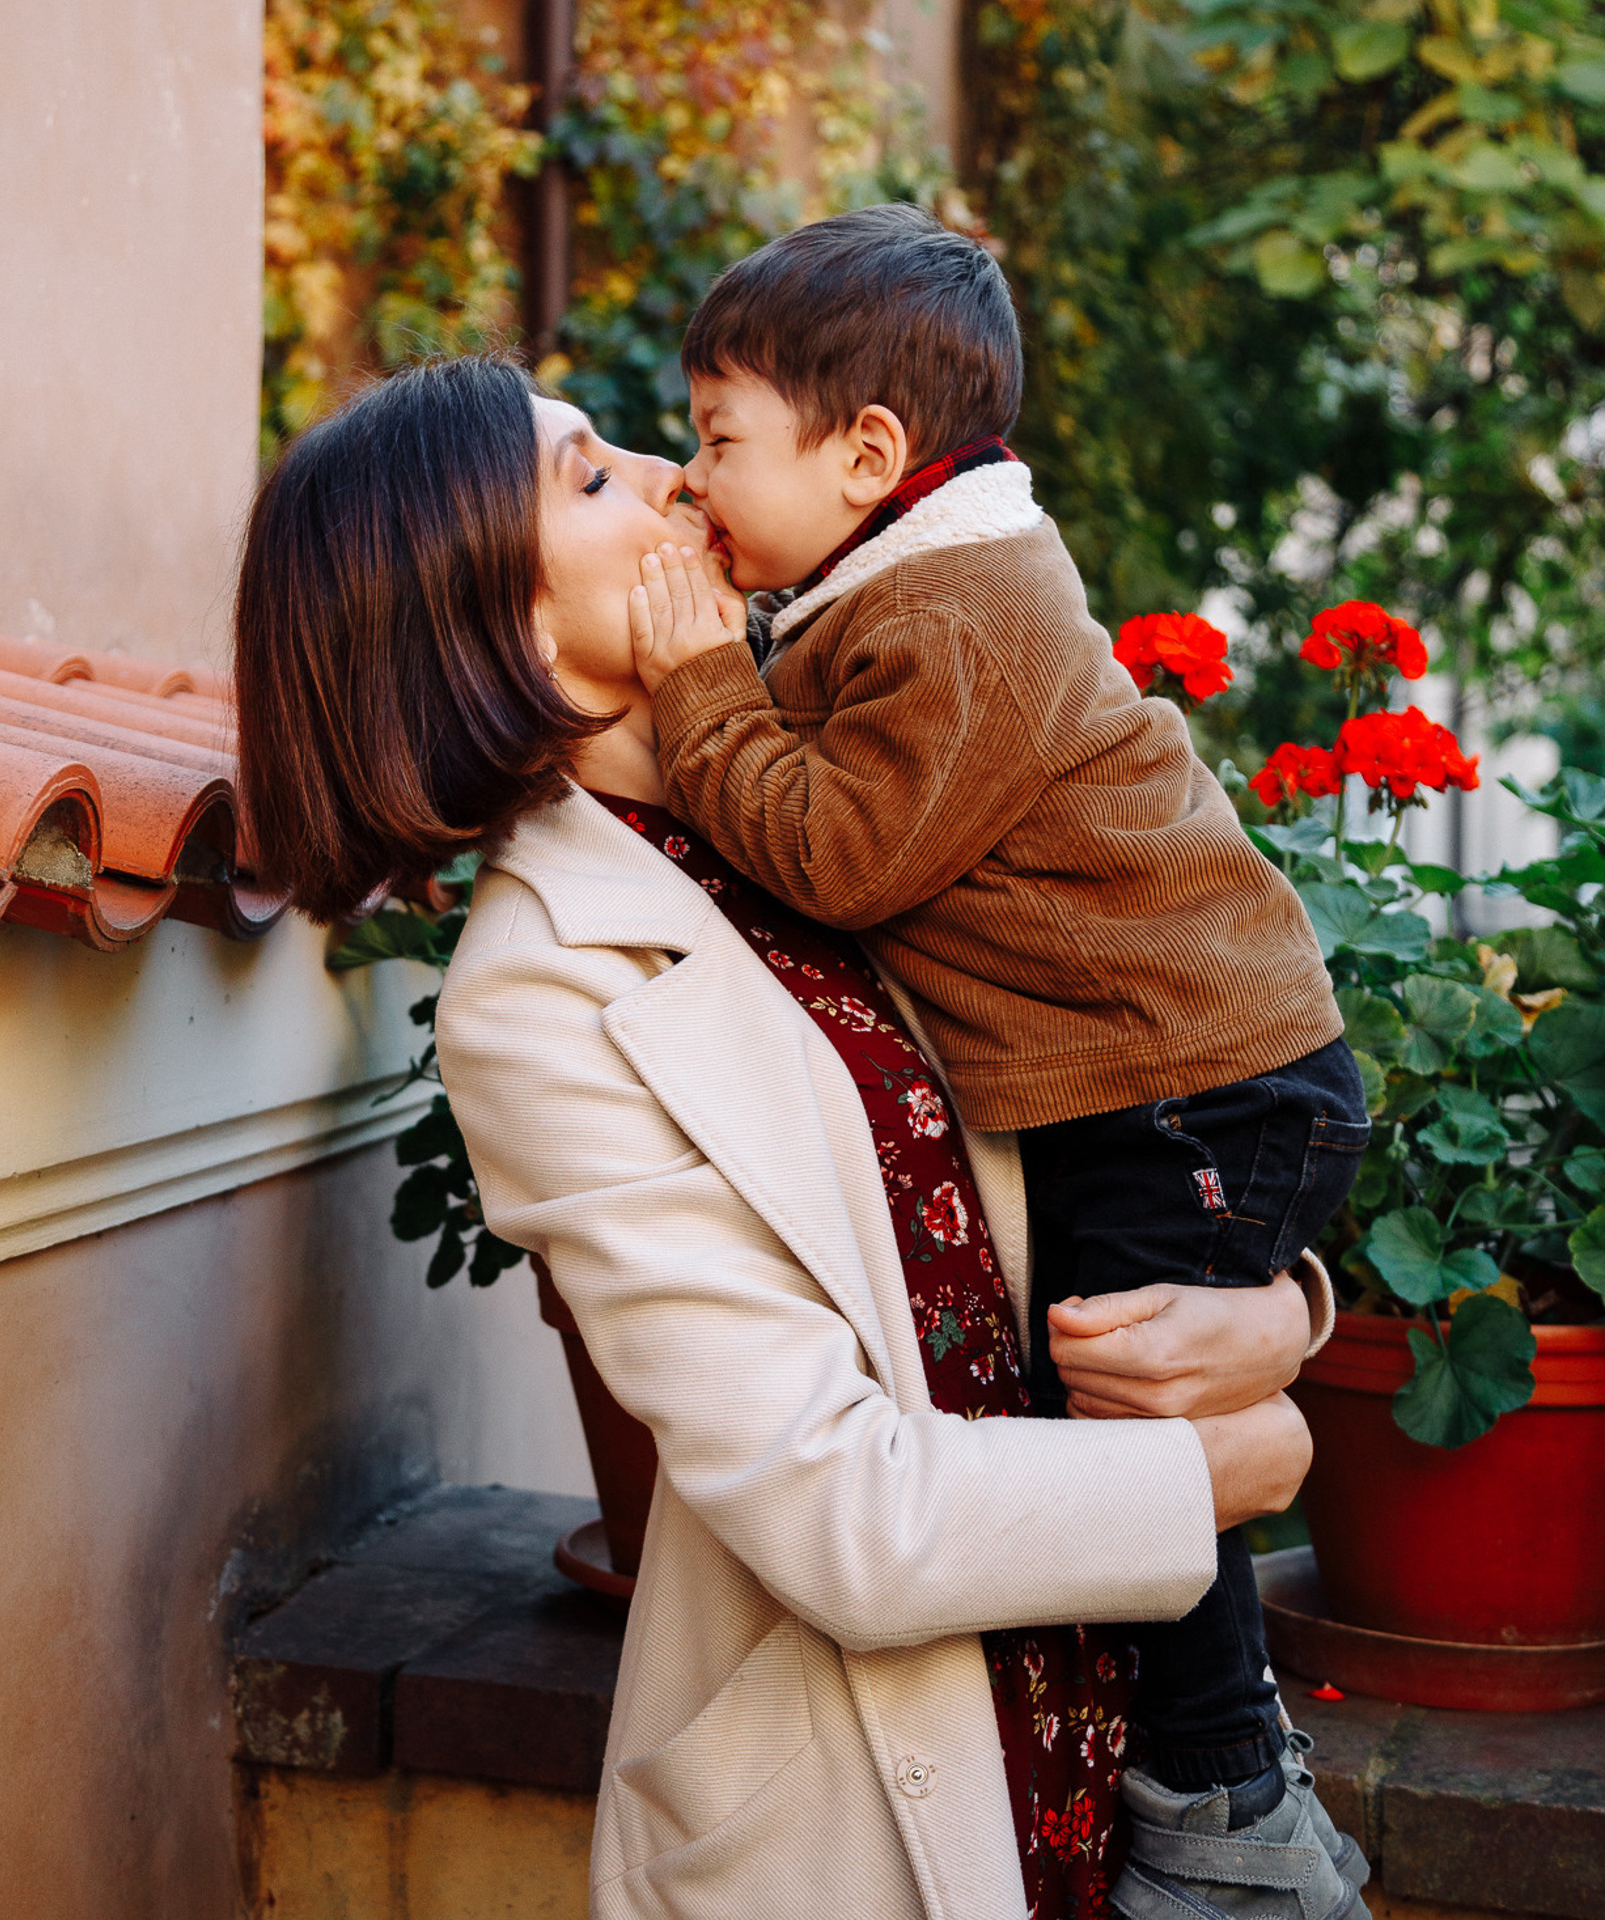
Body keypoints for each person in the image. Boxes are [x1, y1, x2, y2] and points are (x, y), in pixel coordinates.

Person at [233, 355, 1332, 1920]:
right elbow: (839, 1510)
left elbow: (1125, 1101)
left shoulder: (828, 797)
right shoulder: (540, 995)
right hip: (887, 1810)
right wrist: (1221, 1469)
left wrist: (1276, 1314)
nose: (676, 475)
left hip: (1149, 1756)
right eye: (594, 476)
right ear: (507, 631)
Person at [626, 205, 1372, 1918]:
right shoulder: (902, 586)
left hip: (1202, 1083)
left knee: (1122, 1422)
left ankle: (1224, 1828)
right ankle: (1235, 1790)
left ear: (868, 452)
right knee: (1120, 1417)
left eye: (720, 436)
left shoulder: (955, 608)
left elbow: (833, 854)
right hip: (1179, 1078)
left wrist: (693, 687)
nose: (691, 475)